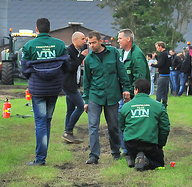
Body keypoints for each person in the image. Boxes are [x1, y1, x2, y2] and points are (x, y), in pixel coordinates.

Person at [20, 18, 70, 166]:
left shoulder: (29, 45)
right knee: (47, 120)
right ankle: (42, 156)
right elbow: (67, 65)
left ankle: (40, 158)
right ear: (49, 29)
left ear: (37, 29)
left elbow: (24, 68)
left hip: (38, 89)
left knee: (40, 122)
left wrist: (33, 75)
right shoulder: (60, 44)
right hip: (54, 88)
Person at [83, 31, 132, 165]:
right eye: (89, 43)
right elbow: (86, 81)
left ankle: (115, 152)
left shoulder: (114, 53)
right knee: (93, 126)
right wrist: (86, 100)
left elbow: (121, 71)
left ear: (100, 41)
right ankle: (94, 155)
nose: (91, 45)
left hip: (112, 95)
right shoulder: (88, 59)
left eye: (93, 42)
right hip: (95, 95)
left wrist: (126, 88)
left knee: (113, 126)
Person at [120, 78, 170, 170]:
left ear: (137, 90)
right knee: (159, 163)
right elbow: (165, 128)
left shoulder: (126, 106)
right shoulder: (159, 106)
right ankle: (146, 161)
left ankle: (132, 156)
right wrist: (160, 145)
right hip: (149, 145)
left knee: (135, 148)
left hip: (130, 144)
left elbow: (122, 126)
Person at [117, 29, 150, 153]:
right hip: (123, 92)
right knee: (121, 120)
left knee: (126, 120)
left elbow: (140, 77)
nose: (118, 40)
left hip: (130, 95)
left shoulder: (136, 54)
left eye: (120, 38)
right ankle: (126, 147)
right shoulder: (121, 53)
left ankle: (128, 149)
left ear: (128, 39)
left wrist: (132, 94)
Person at [62, 31, 88, 144]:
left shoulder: (77, 51)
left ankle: (68, 134)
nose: (85, 41)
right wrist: (82, 56)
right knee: (81, 106)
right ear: (75, 40)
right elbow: (70, 67)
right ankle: (68, 131)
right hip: (69, 85)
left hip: (72, 84)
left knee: (70, 109)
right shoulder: (68, 52)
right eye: (82, 39)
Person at [152, 42, 171, 108]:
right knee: (165, 91)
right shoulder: (168, 54)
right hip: (167, 75)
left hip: (162, 75)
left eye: (157, 47)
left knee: (159, 91)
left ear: (160, 47)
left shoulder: (163, 54)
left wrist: (152, 65)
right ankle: (164, 104)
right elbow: (164, 62)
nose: (157, 49)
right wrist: (157, 57)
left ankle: (158, 105)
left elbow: (160, 64)